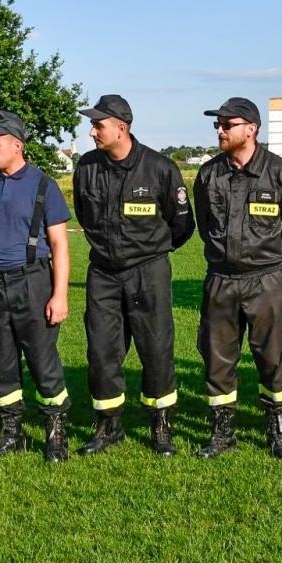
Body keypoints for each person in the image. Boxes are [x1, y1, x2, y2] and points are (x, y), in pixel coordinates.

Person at [73, 94, 194, 456]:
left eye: (98, 125)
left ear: (121, 128)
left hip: (148, 271)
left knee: (156, 348)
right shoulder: (87, 167)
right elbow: (83, 213)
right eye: (93, 124)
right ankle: (108, 425)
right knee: (102, 350)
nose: (92, 131)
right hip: (104, 273)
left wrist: (151, 251)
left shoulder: (159, 168)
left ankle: (161, 426)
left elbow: (182, 223)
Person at [191, 98, 282, 461]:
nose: (220, 131)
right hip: (221, 281)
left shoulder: (280, 172)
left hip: (265, 281)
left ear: (251, 129)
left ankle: (278, 433)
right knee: (217, 360)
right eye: (218, 125)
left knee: (271, 359)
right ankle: (223, 432)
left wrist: (267, 256)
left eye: (228, 124)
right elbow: (204, 225)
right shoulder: (209, 174)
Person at [0, 113, 73, 462]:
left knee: (42, 360)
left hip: (33, 282)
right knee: (0, 361)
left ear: (16, 145)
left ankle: (55, 436)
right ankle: (11, 434)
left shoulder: (43, 185)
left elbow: (60, 246)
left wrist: (60, 294)